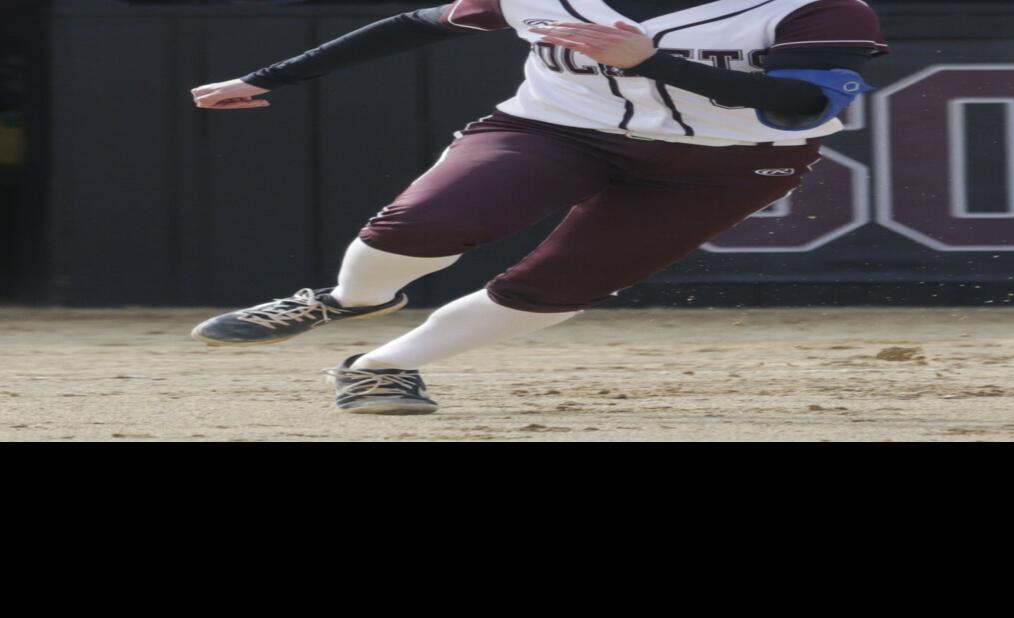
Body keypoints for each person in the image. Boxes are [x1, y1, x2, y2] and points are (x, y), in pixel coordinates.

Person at [189, 0, 889, 415]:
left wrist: (648, 61)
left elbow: (803, 102)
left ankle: (378, 366)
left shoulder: (816, 6)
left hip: (729, 160)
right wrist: (266, 77)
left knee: (561, 286)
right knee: (432, 223)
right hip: (555, 128)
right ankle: (349, 298)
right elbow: (420, 23)